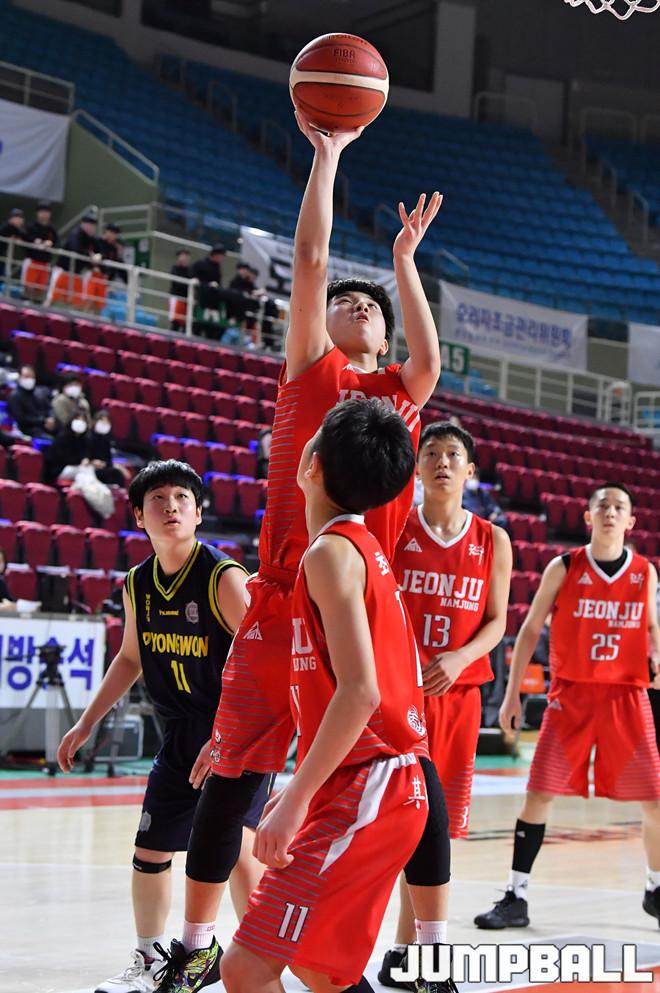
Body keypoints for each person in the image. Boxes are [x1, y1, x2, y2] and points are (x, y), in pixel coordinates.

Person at [154, 114, 442, 993]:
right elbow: (311, 262)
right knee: (227, 771)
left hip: (354, 589)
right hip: (285, 594)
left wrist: (404, 263)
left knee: (389, 757)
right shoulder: (313, 373)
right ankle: (203, 944)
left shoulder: (393, 402)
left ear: (386, 339)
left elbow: (430, 358)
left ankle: (411, 944)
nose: (356, 308)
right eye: (347, 304)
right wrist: (327, 157)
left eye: (372, 310)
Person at [220, 398, 429, 993]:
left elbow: (361, 693)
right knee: (316, 968)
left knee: (245, 968)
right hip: (375, 781)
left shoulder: (331, 553)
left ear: (311, 466)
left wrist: (294, 798)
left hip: (372, 783)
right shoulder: (357, 546)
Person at [56, 460, 271, 993]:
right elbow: (130, 657)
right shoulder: (137, 583)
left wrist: (225, 736)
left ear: (198, 513)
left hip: (237, 730)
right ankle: (150, 959)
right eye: (158, 499)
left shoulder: (223, 578)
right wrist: (86, 722)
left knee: (239, 851)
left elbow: (264, 665)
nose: (170, 506)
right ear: (138, 515)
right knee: (150, 849)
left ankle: (262, 957)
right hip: (179, 733)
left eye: (181, 498)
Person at [473, 482, 660, 931]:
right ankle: (516, 896)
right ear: (588, 517)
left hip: (626, 696)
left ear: (631, 521)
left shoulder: (645, 572)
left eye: (619, 507)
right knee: (538, 793)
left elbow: (653, 631)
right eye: (603, 506)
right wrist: (512, 693)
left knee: (655, 799)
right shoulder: (565, 566)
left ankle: (655, 889)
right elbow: (530, 628)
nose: (610, 512)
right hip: (571, 696)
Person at [379, 421, 512, 987]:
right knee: (396, 825)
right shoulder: (394, 528)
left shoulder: (493, 539)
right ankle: (400, 949)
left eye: (453, 454)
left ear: (470, 471)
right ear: (415, 468)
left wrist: (459, 657)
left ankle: (406, 951)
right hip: (397, 697)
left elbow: (497, 621)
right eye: (430, 452)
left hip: (458, 697)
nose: (441, 461)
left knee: (433, 829)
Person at [48, 213, 100, 308]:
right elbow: (75, 248)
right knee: (52, 298)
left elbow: (100, 250)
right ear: (82, 224)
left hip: (77, 274)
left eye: (92, 225)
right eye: (87, 224)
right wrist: (90, 256)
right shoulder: (75, 234)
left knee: (77, 303)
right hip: (63, 271)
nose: (90, 227)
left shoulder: (92, 239)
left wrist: (99, 256)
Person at [22, 202, 59, 302]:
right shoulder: (31, 227)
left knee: (40, 289)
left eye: (46, 212)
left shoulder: (52, 230)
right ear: (37, 213)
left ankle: (36, 308)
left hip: (45, 263)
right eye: (42, 212)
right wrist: (34, 241)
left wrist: (50, 243)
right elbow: (25, 238)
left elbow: (57, 242)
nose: (44, 214)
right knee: (28, 287)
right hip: (32, 260)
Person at [7, 365, 55, 438]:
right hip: (27, 429)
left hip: (44, 426)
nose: (30, 380)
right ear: (19, 377)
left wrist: (51, 418)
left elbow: (49, 408)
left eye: (32, 377)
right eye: (26, 376)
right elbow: (21, 419)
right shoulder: (14, 396)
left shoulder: (39, 392)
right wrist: (43, 421)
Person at [87, 409, 129, 487]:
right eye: (102, 421)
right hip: (90, 467)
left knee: (116, 473)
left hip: (103, 467)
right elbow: (82, 456)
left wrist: (105, 463)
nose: (104, 424)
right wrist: (92, 462)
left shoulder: (106, 440)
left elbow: (108, 459)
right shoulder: (88, 436)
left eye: (107, 422)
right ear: (95, 421)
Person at [192, 243, 225, 313]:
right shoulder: (200, 264)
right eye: (221, 256)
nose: (222, 259)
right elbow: (193, 276)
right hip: (200, 295)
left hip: (212, 298)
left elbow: (218, 283)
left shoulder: (217, 268)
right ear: (215, 255)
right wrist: (206, 284)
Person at [0, 208, 27, 281]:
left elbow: (24, 236)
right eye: (16, 218)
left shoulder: (14, 229)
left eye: (20, 218)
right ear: (10, 219)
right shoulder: (8, 227)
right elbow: (24, 236)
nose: (19, 220)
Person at [169, 249, 193, 332]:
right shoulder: (175, 268)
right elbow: (176, 283)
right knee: (175, 321)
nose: (185, 258)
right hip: (177, 297)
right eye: (183, 256)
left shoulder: (190, 270)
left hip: (187, 298)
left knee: (185, 322)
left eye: (186, 256)